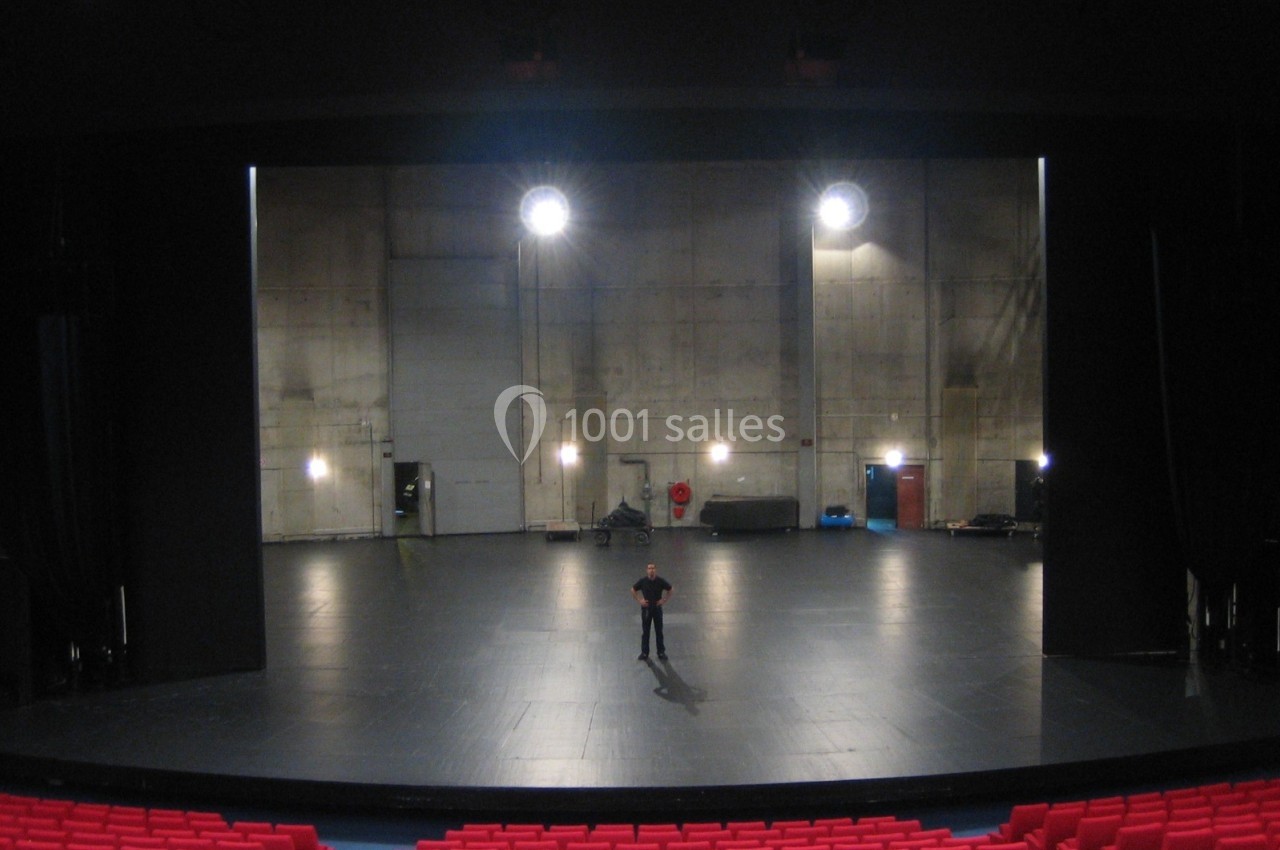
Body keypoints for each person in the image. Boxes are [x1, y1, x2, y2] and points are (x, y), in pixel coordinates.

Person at [631, 562, 673, 661]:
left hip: (657, 609)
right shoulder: (643, 581)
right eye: (649, 568)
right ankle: (645, 652)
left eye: (653, 568)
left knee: (659, 631)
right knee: (646, 631)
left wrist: (664, 600)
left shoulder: (660, 581)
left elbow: (670, 589)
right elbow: (633, 589)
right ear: (647, 570)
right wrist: (639, 600)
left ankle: (661, 652)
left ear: (656, 570)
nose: (651, 570)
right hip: (646, 609)